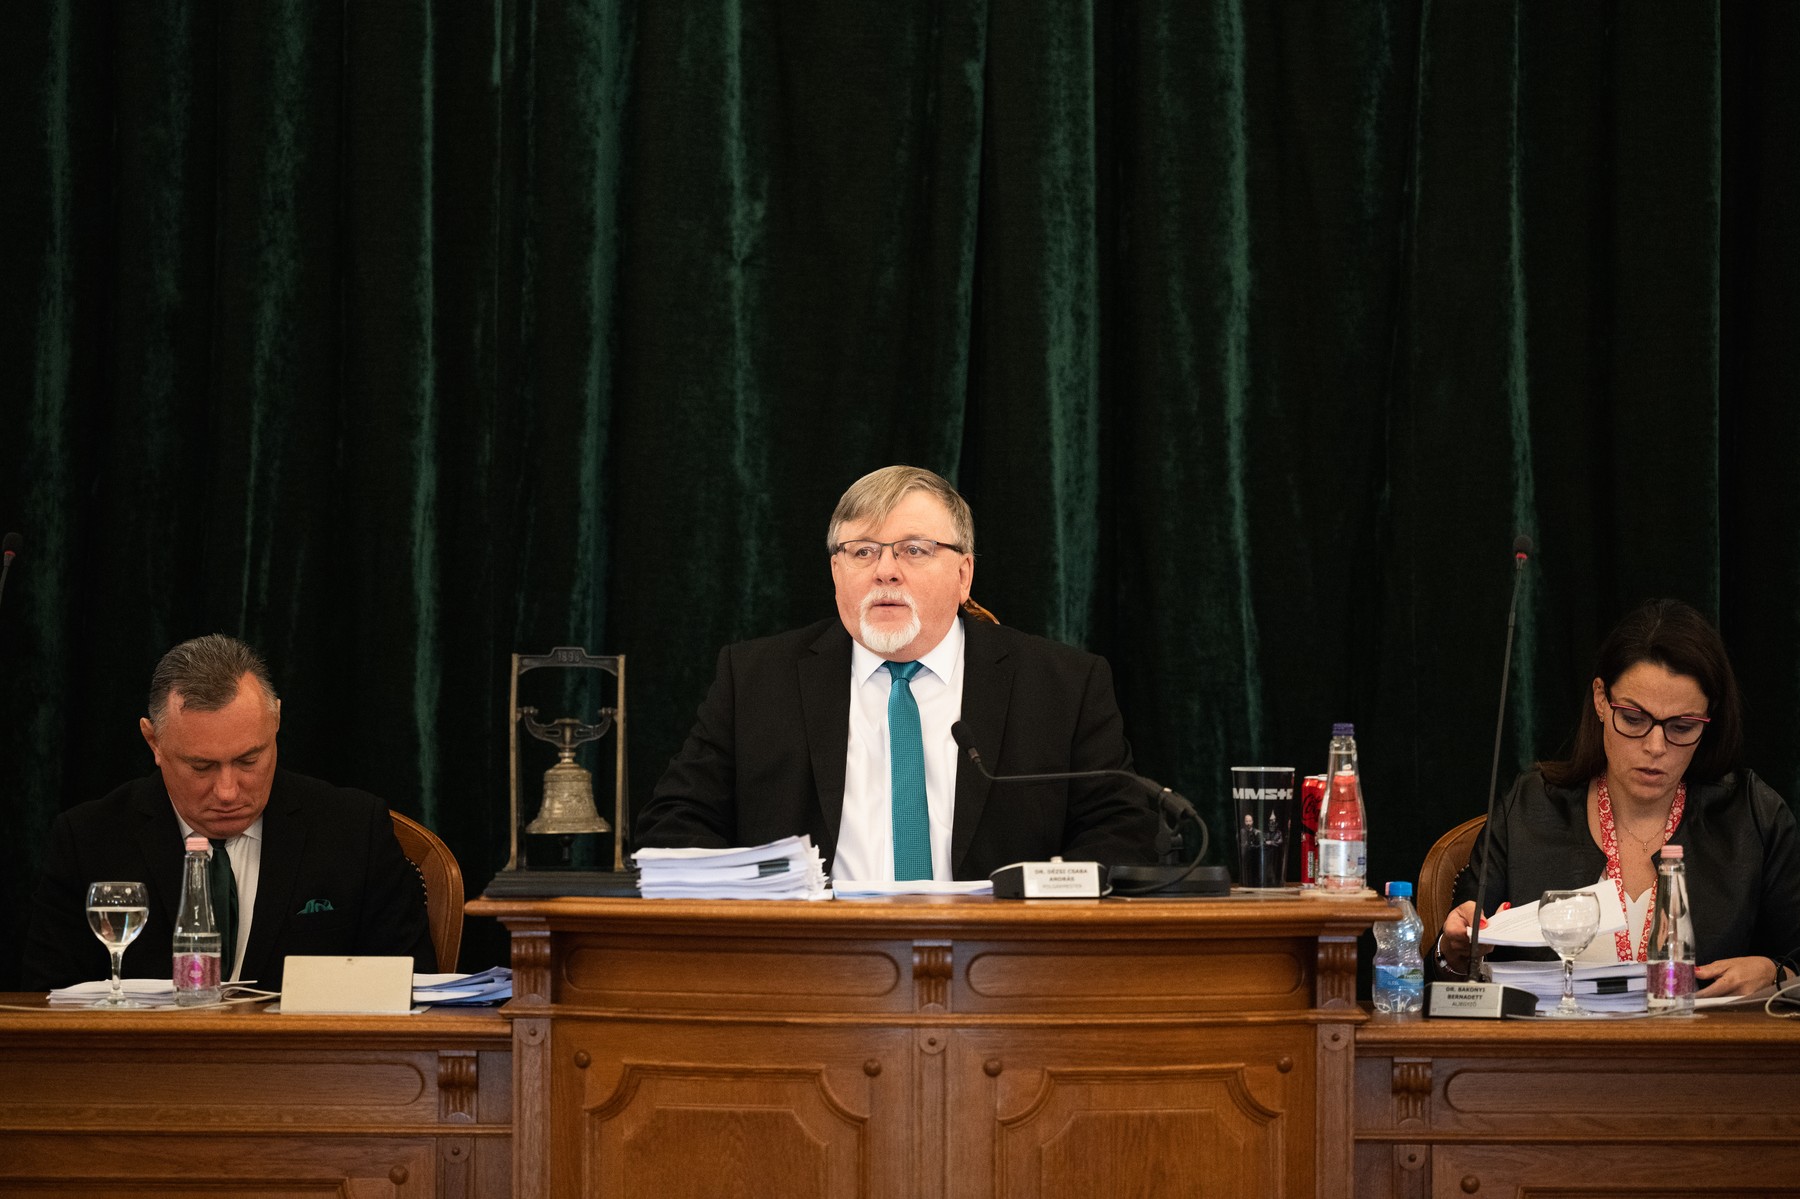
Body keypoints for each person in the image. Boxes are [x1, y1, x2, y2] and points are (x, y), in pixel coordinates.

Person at [636, 465, 1159, 881]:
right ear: (836, 572)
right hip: (805, 955)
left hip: (1003, 959)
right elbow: (675, 824)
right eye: (862, 551)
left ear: (963, 574)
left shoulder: (1062, 685)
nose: (885, 571)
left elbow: (1121, 830)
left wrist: (1036, 911)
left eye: (914, 550)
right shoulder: (756, 679)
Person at [22, 634, 434, 991]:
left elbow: (411, 990)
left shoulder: (354, 830)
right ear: (153, 742)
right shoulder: (88, 839)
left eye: (248, 760)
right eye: (201, 767)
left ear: (276, 721)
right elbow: (45, 1005)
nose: (227, 791)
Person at [1439, 598, 1800, 997]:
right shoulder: (1530, 808)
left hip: (1702, 1037)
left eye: (1682, 727)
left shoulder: (1754, 815)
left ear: (1708, 720)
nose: (1656, 746)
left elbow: (1795, 958)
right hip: (1553, 1037)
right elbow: (1447, 966)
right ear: (1600, 700)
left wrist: (1777, 972)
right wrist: (1453, 950)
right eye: (1633, 719)